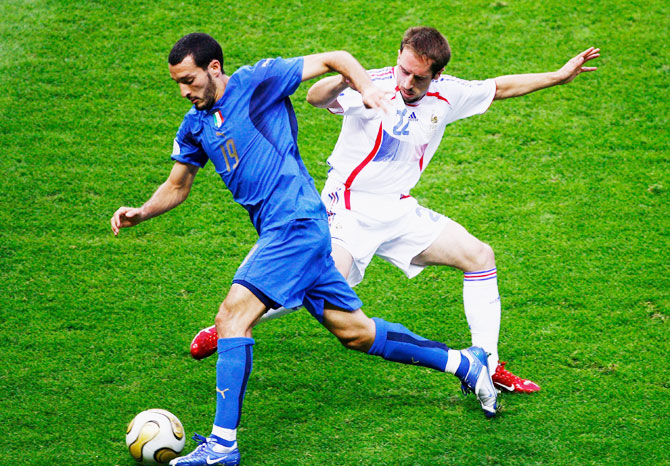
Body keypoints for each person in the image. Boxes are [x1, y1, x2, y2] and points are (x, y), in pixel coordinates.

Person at [111, 32, 499, 466]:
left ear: (213, 68)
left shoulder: (258, 81)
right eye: (178, 83)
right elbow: (177, 186)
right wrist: (141, 212)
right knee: (355, 332)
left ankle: (222, 444)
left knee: (231, 317)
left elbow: (336, 55)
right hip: (294, 231)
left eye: (189, 80)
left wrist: (366, 87)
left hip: (293, 224)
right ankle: (463, 363)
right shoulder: (194, 125)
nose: (184, 91)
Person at [189, 27, 600, 393]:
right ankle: (229, 324)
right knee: (316, 284)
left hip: (399, 211)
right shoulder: (376, 84)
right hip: (346, 209)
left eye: (418, 76)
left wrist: (559, 76)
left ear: (435, 75)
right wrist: (345, 84)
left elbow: (500, 87)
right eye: (402, 69)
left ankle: (487, 365)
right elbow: (314, 98)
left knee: (480, 256)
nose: (406, 81)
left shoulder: (448, 93)